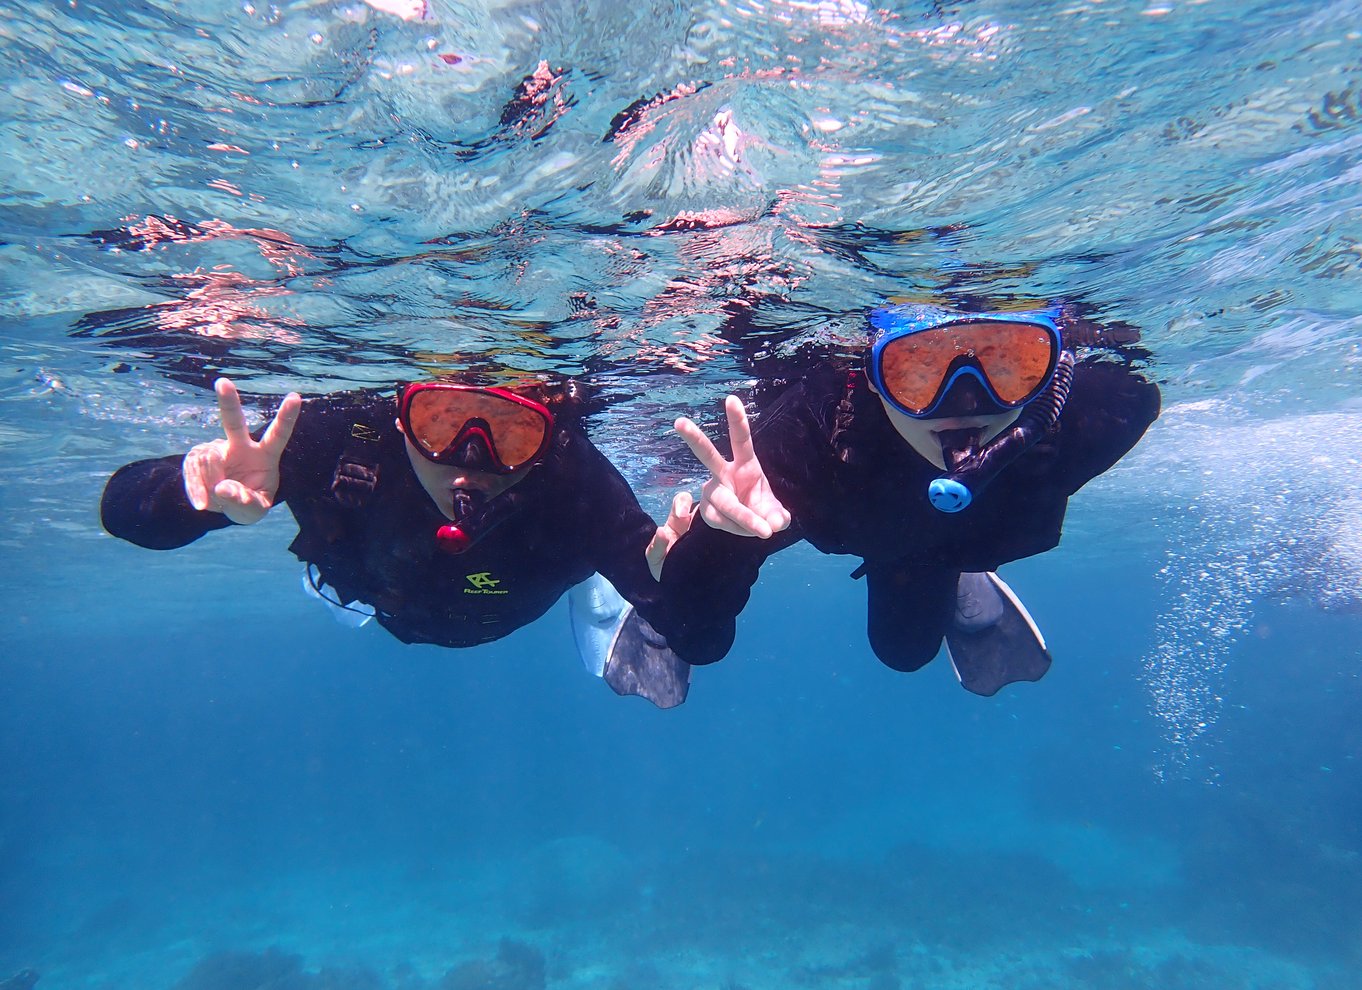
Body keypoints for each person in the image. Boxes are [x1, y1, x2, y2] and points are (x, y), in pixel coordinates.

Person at [100, 376, 722, 708]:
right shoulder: (328, 438)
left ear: (549, 430)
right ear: (401, 416)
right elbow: (123, 511)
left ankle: (598, 588)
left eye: (512, 430)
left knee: (617, 571)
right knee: (342, 599)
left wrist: (711, 558)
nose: (472, 459)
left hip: (503, 601)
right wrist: (190, 494)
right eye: (441, 422)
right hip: (373, 591)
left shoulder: (576, 484)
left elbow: (702, 631)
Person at [655, 302, 1162, 695]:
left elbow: (1140, 391)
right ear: (871, 376)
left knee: (906, 647)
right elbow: (696, 635)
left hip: (938, 545)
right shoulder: (810, 443)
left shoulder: (1084, 422)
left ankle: (963, 566)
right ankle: (955, 569)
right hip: (886, 537)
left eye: (1008, 361)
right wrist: (714, 545)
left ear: (1050, 370)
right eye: (917, 368)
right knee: (902, 650)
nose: (965, 402)